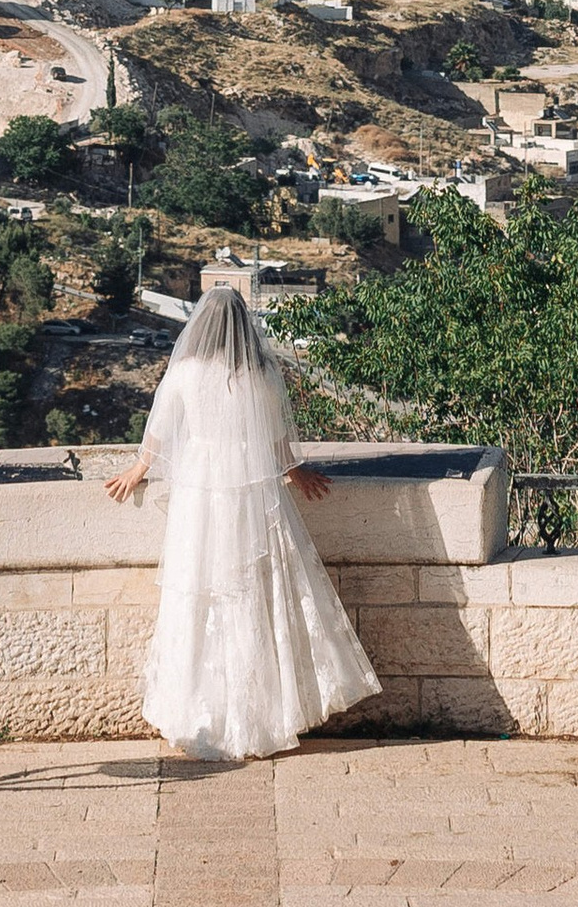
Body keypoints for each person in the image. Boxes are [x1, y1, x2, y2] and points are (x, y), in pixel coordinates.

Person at [104, 281, 381, 761]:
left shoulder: (186, 373)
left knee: (199, 597)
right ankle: (256, 719)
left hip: (198, 498)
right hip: (251, 494)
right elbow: (276, 443)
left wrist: (137, 471)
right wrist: (296, 472)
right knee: (252, 595)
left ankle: (194, 713)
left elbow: (159, 434)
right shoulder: (262, 375)